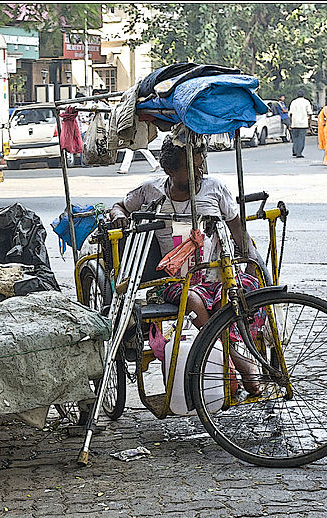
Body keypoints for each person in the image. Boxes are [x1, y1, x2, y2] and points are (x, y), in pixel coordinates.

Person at [108, 132, 264, 394]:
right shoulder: (151, 190)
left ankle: (234, 355)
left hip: (215, 274)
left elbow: (239, 230)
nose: (199, 169)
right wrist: (118, 217)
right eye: (191, 166)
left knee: (244, 292)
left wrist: (250, 263)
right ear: (170, 169)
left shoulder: (215, 188)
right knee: (192, 299)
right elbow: (119, 206)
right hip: (174, 280)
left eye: (201, 161)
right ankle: (234, 362)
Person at [288, 90, 312, 158]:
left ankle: (295, 151)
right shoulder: (306, 102)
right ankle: (299, 153)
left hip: (294, 123)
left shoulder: (293, 102)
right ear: (303, 95)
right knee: (301, 138)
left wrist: (290, 124)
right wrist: (309, 124)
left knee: (295, 138)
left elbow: (290, 114)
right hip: (303, 124)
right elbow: (310, 114)